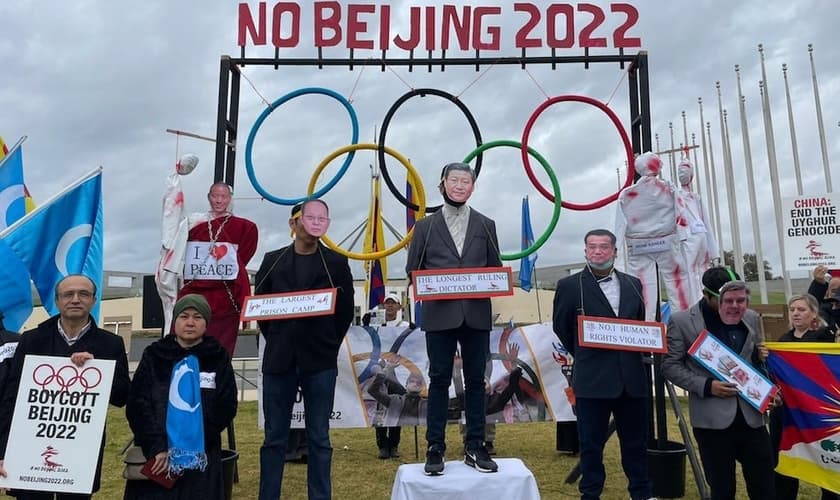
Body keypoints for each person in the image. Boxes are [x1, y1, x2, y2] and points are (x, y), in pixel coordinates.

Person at [404, 162, 502, 475]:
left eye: (466, 181)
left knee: (476, 382)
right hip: (439, 315)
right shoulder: (425, 226)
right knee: (439, 381)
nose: (460, 186)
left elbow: (494, 270)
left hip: (475, 315)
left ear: (473, 187)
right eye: (454, 180)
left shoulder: (486, 225)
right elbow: (413, 270)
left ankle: (476, 445)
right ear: (442, 183)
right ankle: (436, 447)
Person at [254, 199, 355, 500]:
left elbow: (345, 312)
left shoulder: (336, 263)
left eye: (321, 218)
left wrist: (326, 343)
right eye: (308, 217)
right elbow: (262, 311)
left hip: (319, 361)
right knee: (274, 439)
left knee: (319, 439)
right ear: (293, 223)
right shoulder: (272, 260)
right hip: (279, 360)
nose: (314, 223)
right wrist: (280, 339)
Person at [0, 274, 131, 500]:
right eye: (68, 294)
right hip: (30, 449)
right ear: (57, 300)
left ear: (94, 300)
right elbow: (11, 399)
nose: (76, 299)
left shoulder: (110, 344)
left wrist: (95, 371)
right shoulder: (31, 340)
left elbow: (122, 396)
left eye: (83, 294)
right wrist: (4, 452)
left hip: (80, 452)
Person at [552, 228, 653, 500]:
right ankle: (591, 494)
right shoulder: (569, 286)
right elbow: (562, 327)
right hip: (592, 380)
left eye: (604, 247)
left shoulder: (633, 283)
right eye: (592, 247)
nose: (598, 252)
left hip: (632, 381)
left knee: (636, 445)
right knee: (591, 446)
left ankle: (641, 493)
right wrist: (587, 351)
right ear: (585, 251)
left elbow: (639, 326)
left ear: (615, 251)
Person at [662, 269, 776, 499]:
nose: (734, 306)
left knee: (764, 485)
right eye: (726, 301)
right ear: (707, 295)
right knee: (722, 489)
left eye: (739, 299)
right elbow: (670, 366)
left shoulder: (751, 317)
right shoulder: (682, 321)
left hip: (752, 418)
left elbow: (754, 362)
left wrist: (766, 377)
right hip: (712, 422)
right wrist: (706, 385)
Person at [124, 294, 237, 500]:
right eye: (184, 316)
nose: (190, 323)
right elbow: (138, 405)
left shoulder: (217, 356)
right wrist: (157, 446)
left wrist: (191, 440)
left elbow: (226, 405)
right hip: (158, 456)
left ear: (206, 323)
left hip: (200, 454)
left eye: (197, 317)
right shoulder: (154, 355)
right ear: (175, 321)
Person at [158, 180, 259, 356]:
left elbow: (241, 261)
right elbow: (173, 244)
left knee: (219, 354)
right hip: (195, 292)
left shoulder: (245, 228)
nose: (219, 200)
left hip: (225, 297)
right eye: (215, 196)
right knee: (183, 349)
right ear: (209, 197)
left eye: (223, 196)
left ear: (230, 199)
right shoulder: (192, 223)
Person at [769, 294, 838, 500]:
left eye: (802, 309)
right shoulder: (784, 342)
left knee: (825, 460)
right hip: (786, 414)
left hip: (816, 416)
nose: (796, 313)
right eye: (792, 309)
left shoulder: (824, 338)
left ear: (814, 314)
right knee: (784, 462)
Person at [615, 151, 691, 320]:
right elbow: (681, 211)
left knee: (642, 291)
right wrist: (684, 235)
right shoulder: (669, 188)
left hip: (638, 245)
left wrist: (617, 246)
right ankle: (683, 326)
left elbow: (620, 223)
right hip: (667, 241)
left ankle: (645, 333)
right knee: (677, 284)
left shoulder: (627, 193)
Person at [676, 157, 718, 305]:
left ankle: (704, 300)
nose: (683, 174)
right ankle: (694, 304)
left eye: (686, 170)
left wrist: (713, 250)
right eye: (681, 170)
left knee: (702, 270)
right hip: (688, 238)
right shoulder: (677, 195)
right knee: (689, 272)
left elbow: (706, 220)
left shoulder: (696, 198)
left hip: (701, 237)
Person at [806, 265, 840, 333]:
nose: (837, 293)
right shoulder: (823, 311)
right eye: (834, 291)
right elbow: (811, 303)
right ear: (828, 293)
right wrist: (818, 283)